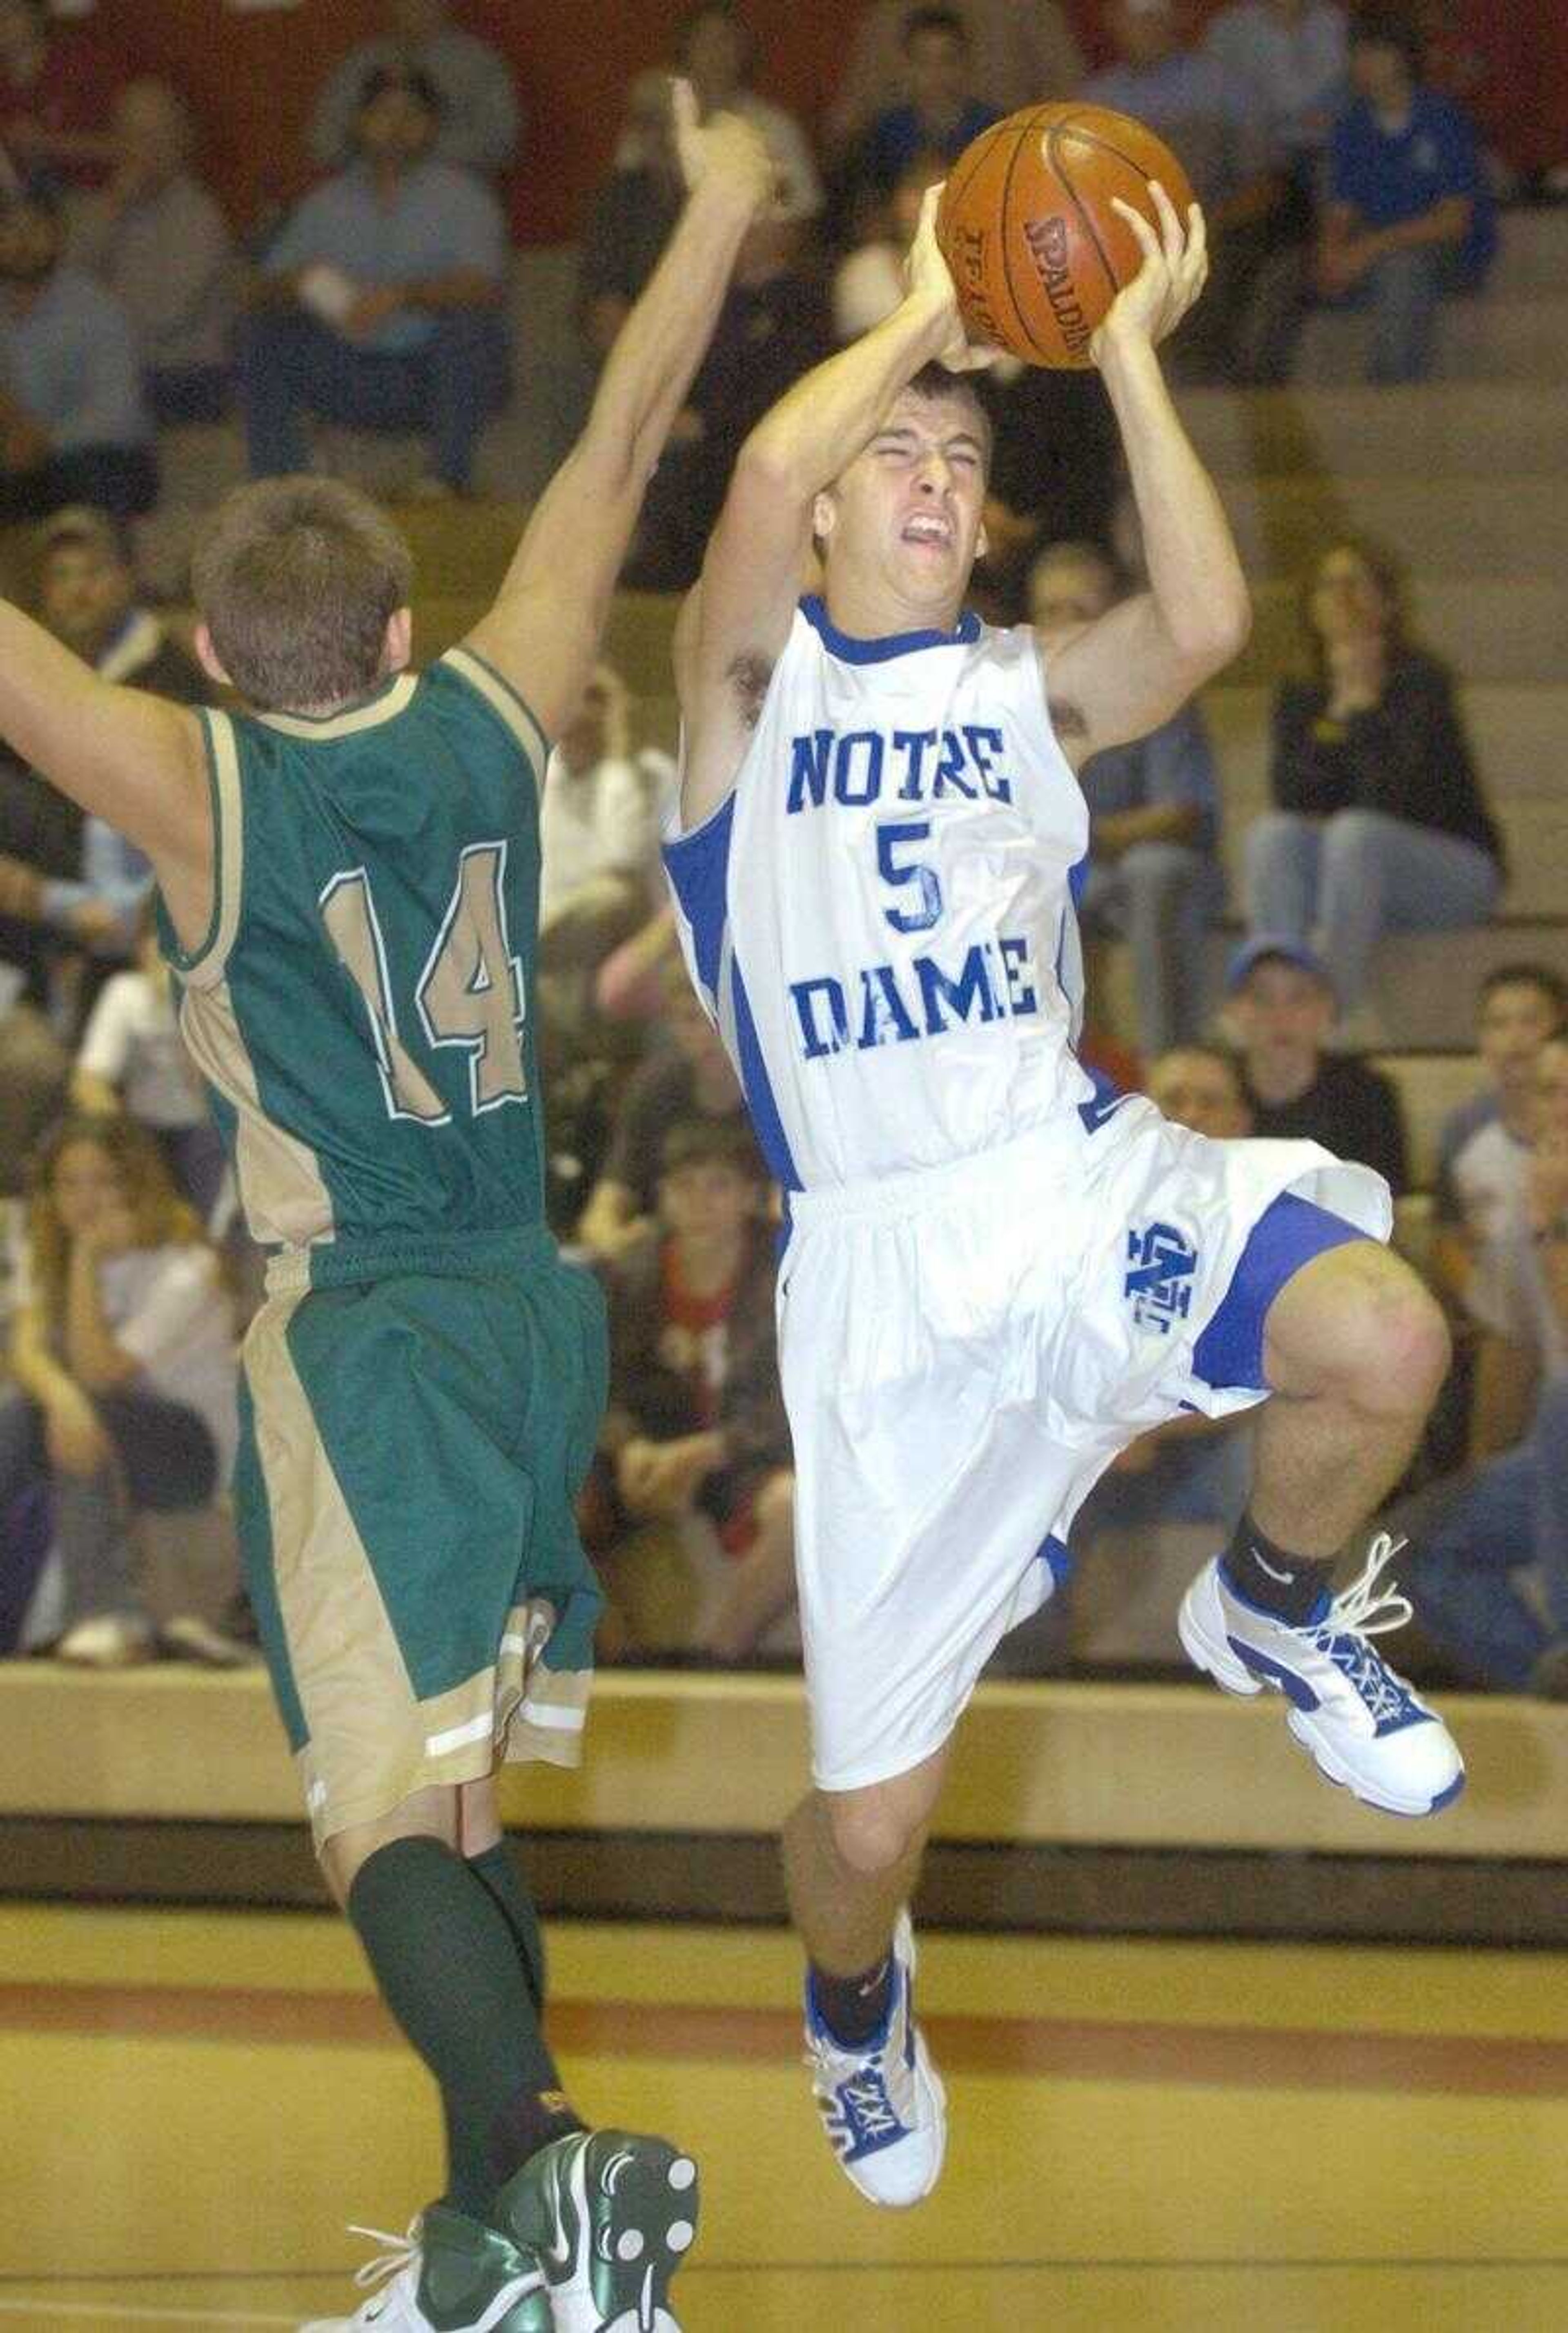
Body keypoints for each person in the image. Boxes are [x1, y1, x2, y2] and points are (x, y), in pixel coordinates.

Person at [0, 88, 774, 2333]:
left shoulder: (196, 777)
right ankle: (487, 2265)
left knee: (360, 1816)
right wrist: (717, 201)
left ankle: (545, 2163)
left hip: (361, 1337)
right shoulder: (490, 710)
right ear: (403, 624)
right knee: (453, 1812)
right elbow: (612, 458)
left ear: (219, 660)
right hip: (532, 1320)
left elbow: (28, 681)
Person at [668, 174, 1461, 2211]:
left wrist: (1117, 349)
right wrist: (938, 306)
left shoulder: (1023, 691)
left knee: (1383, 1334)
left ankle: (1271, 1606)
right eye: (890, 453)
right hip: (873, 1281)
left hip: (1064, 1176)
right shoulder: (745, 702)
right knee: (862, 1832)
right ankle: (855, 2006)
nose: (926, 472)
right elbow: (762, 460)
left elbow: (1203, 624)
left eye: (958, 454)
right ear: (833, 511)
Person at [0, 1115, 236, 1665]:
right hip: (98, 1434)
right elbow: (28, 1350)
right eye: (69, 1183)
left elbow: (101, 1370)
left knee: (74, 1417)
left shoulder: (188, 1266)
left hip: (191, 1453)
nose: (85, 1199)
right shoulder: (45, 1246)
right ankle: (102, 1618)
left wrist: (85, 1258)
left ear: (137, 1182)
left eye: (104, 1180)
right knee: (32, 1419)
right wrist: (63, 1400)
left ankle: (106, 1615)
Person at [1243, 537, 1502, 1017]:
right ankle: (1275, 999)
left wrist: (1363, 710)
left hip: (1450, 873)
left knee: (1356, 834)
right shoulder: (1302, 694)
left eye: (1355, 584)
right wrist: (1340, 710)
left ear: (1388, 602)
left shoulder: (1421, 683)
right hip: (1352, 878)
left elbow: (1397, 797)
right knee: (1271, 836)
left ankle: (1324, 1013)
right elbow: (1292, 798)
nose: (1341, 598)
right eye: (1327, 586)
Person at [238, 64, 510, 497]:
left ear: (431, 126)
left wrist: (405, 296)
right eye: (385, 112)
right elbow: (256, 293)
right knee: (263, 334)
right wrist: (303, 284)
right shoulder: (324, 205)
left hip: (433, 371)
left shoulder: (465, 198)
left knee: (473, 330)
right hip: (350, 366)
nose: (398, 126)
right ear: (361, 122)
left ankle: (444, 483)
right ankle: (280, 491)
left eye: (412, 115)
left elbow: (486, 287)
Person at [585, 1116, 795, 1663]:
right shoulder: (631, 1275)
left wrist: (711, 1450)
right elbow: (595, 1383)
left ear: (751, 1197)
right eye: (684, 1186)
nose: (700, 1202)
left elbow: (801, 1397)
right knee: (546, 1505)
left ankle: (715, 1660)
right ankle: (617, 1666)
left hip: (746, 1456)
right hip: (648, 1456)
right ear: (662, 1199)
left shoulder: (787, 1273)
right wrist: (629, 1445)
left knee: (798, 1510)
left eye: (718, 1186)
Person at [1414, 1035, 1568, 1695]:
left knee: (1563, 1409)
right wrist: (1479, 1467)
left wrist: (1553, 1227)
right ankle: (1548, 1681)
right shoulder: (1524, 1218)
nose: (1562, 1108)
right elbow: (1510, 1350)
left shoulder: (1541, 1215)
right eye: (1550, 1091)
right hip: (1551, 1453)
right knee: (1414, 1549)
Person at [1030, 538, 1223, 1054]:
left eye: (1080, 611)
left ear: (1112, 619)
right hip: (1077, 878)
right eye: (1050, 610)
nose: (1063, 623)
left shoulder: (1155, 692)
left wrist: (1076, 836)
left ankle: (1167, 1061)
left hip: (1159, 874)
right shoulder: (1009, 704)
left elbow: (1178, 814)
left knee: (1151, 870)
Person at [0, 508, 207, 966]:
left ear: (128, 579)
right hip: (57, 853)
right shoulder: (37, 663)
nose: (78, 590)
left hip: (135, 861)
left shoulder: (165, 670)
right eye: (62, 576)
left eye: (93, 572)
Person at [1082, 0, 1293, 384]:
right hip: (1118, 239)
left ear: (1176, 19)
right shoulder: (1096, 100)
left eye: (1155, 18)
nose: (1146, 29)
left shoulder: (1226, 88)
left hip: (1212, 229)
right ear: (1115, 23)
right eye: (1136, 18)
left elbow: (1267, 182)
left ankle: (1192, 383)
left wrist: (1207, 224)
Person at [1317, 9, 1495, 385]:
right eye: (1357, 53)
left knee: (1402, 272)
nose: (1362, 64)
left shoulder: (1441, 119)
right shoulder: (1353, 126)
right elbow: (1341, 210)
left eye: (1374, 53)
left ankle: (1393, 393)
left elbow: (1452, 220)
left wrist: (1370, 249)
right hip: (1375, 250)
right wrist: (1332, 254)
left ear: (1402, 57)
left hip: (1444, 253)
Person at [1432, 966, 1568, 1460]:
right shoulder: (1466, 1129)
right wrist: (1481, 1300)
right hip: (1506, 1317)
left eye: (1530, 1021)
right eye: (1498, 1023)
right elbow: (1448, 1234)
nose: (1515, 1040)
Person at [70, 78, 239, 427]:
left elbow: (167, 317)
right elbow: (62, 285)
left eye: (156, 135)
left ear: (181, 142)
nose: (143, 149)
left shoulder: (200, 215)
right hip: (120, 368)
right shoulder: (107, 206)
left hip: (184, 377)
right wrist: (113, 209)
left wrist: (93, 331)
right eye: (131, 135)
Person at [576, 948, 750, 1260]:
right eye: (691, 1019)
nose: (708, 1036)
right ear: (671, 1026)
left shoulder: (776, 1091)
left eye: (721, 1019)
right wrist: (619, 1245)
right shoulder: (656, 1089)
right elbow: (604, 1209)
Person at [0, 189, 156, 524]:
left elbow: (119, 416)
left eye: (36, 229)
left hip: (103, 457)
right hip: (22, 456)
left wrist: (46, 443)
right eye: (10, 229)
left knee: (87, 477)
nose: (24, 242)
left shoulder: (96, 310)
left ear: (59, 237)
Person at [71, 904, 230, 1226]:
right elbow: (88, 1082)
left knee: (214, 1149)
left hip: (211, 1128)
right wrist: (123, 1142)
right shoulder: (126, 994)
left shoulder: (226, 995)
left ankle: (211, 1240)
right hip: (143, 1132)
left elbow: (210, 1087)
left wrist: (183, 1004)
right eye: (158, 939)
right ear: (140, 945)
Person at [1224, 937, 1408, 1195]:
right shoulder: (1211, 1093)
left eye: (1298, 998)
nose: (1280, 1015)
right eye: (1261, 998)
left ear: (1326, 1009)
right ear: (1233, 1012)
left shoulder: (1367, 1096)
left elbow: (1386, 1206)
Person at [825, 0, 1083, 154]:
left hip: (1005, 165)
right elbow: (847, 125)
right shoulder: (889, 14)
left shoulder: (1030, 9)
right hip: (896, 188)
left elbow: (1071, 107)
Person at [309, 0, 521, 183]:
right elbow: (322, 142)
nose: (415, 6)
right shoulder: (360, 64)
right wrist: (372, 143)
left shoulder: (479, 64)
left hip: (451, 195)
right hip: (365, 194)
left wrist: (420, 143)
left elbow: (502, 144)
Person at [676, 0, 824, 226]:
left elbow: (800, 212)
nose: (715, 54)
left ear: (743, 51)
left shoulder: (776, 128)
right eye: (705, 41)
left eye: (725, 41)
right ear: (687, 49)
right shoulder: (662, 124)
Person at [849, 8, 1002, 202]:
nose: (936, 73)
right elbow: (870, 209)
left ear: (966, 64)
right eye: (924, 61)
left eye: (947, 60)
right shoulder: (884, 133)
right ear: (906, 67)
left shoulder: (994, 131)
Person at [0, 0, 125, 194]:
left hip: (103, 193)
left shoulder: (79, 61)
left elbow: (132, 145)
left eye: (11, 11)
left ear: (36, 15)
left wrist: (48, 143)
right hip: (28, 202)